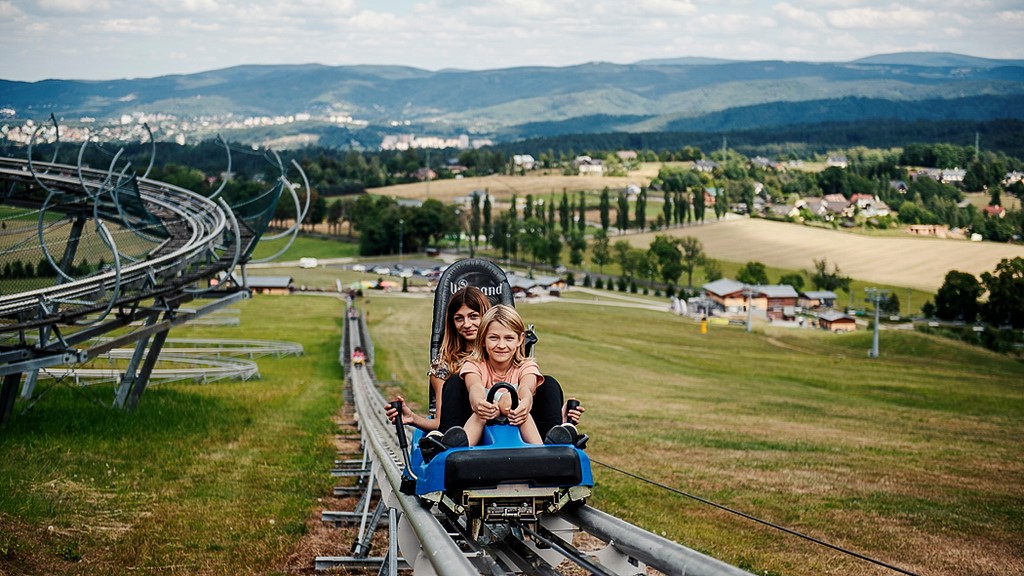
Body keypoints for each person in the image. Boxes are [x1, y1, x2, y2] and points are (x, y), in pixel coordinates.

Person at [385, 285, 491, 433]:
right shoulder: (444, 365)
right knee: (455, 382)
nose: (467, 324)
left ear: (486, 317)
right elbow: (442, 422)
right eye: (459, 318)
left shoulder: (499, 356)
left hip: (500, 430)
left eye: (473, 316)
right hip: (461, 434)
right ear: (452, 323)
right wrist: (413, 418)